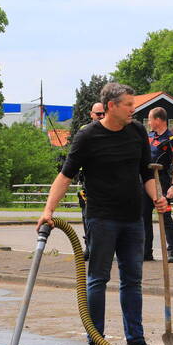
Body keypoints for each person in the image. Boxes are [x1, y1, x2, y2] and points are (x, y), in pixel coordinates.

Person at [37, 83, 166, 345]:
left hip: (133, 219)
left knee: (132, 281)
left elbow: (146, 174)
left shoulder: (137, 132)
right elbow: (65, 176)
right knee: (98, 279)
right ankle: (96, 341)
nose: (133, 109)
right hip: (101, 218)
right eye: (128, 105)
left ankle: (136, 342)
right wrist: (48, 210)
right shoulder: (88, 136)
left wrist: (158, 198)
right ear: (111, 106)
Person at [142, 107, 173, 263]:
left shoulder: (171, 139)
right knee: (144, 216)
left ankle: (172, 251)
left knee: (165, 217)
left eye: (150, 119)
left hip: (162, 181)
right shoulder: (148, 136)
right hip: (146, 181)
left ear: (158, 120)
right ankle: (146, 252)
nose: (149, 122)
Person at [76, 102, 106, 262]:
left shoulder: (111, 131)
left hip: (106, 183)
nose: (101, 117)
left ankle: (104, 249)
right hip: (87, 182)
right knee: (87, 216)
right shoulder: (84, 131)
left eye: (103, 114)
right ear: (91, 115)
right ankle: (89, 247)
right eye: (98, 114)